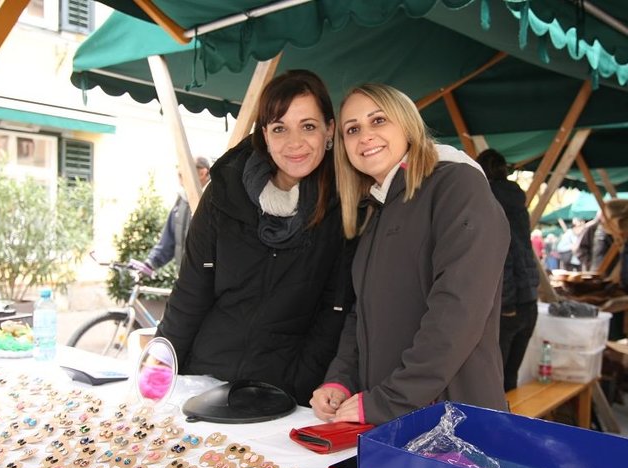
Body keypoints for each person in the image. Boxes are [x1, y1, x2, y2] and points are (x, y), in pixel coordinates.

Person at [310, 84, 510, 425]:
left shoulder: (457, 185)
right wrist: (341, 379)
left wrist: (391, 399)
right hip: (392, 417)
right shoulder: (377, 207)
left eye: (378, 120)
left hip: (453, 421)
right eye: (352, 129)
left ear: (407, 125)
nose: (365, 136)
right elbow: (363, 312)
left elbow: (458, 310)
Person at [155, 70, 354, 406]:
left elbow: (332, 315)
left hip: (283, 393)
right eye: (279, 128)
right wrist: (158, 369)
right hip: (203, 380)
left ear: (329, 130)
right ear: (264, 134)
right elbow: (190, 293)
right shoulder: (224, 191)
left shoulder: (344, 204)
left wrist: (297, 387)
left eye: (308, 126)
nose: (294, 142)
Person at [476, 148, 539, 392]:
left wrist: (507, 304)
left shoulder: (488, 199)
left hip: (508, 304)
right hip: (529, 300)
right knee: (510, 379)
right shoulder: (517, 200)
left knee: (492, 383)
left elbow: (504, 256)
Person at [144, 156, 211, 273]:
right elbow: (168, 241)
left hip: (209, 279)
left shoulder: (216, 201)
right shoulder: (182, 200)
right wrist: (150, 263)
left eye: (182, 173)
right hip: (185, 276)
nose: (179, 177)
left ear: (202, 173)